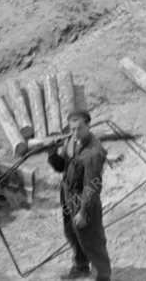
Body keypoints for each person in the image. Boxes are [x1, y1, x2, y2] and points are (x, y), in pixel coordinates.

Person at [46, 110, 111, 281]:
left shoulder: (94, 152)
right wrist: (52, 155)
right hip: (68, 195)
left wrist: (83, 212)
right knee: (72, 233)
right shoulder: (71, 141)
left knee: (92, 239)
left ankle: (102, 276)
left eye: (79, 128)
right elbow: (62, 168)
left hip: (84, 200)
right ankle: (81, 267)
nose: (75, 133)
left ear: (88, 125)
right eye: (72, 128)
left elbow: (92, 186)